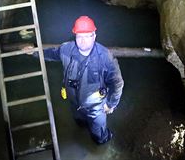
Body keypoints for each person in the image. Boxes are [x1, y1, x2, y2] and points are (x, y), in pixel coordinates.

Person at [30, 15, 124, 144]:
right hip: (74, 102)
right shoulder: (66, 49)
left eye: (87, 36)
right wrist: (34, 52)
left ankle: (102, 139)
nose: (83, 40)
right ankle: (81, 126)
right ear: (75, 36)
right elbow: (51, 54)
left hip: (96, 107)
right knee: (79, 123)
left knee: (99, 136)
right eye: (79, 36)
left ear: (94, 36)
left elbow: (117, 83)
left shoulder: (105, 57)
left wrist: (111, 104)